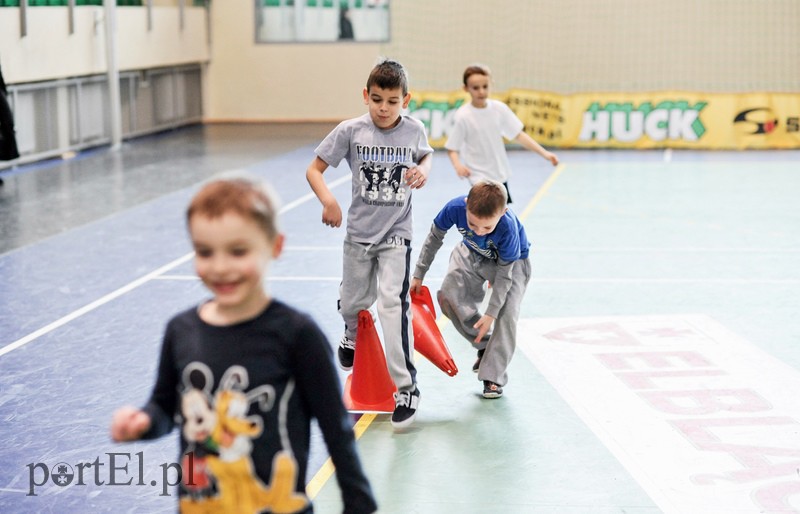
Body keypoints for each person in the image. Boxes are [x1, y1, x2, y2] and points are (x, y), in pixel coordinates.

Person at [110, 174, 378, 514]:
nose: (220, 267)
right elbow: (166, 407)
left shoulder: (297, 335)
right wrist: (144, 423)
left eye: (238, 251)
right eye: (205, 252)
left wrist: (359, 502)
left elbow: (335, 428)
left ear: (275, 246)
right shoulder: (181, 331)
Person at [306, 58, 433, 429]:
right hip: (359, 234)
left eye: (392, 101)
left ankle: (406, 388)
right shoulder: (350, 131)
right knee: (354, 303)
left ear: (405, 100)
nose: (383, 107)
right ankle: (349, 333)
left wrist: (423, 170)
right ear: (365, 95)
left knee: (393, 304)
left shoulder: (414, 130)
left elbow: (426, 154)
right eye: (376, 99)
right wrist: (328, 200)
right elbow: (314, 169)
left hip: (397, 233)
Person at [411, 180, 531, 399]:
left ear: (503, 213)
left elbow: (505, 276)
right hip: (471, 252)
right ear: (466, 205)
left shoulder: (508, 227)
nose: (480, 231)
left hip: (510, 265)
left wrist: (491, 313)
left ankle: (493, 377)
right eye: (473, 225)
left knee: (506, 315)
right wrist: (419, 273)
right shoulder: (455, 208)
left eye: (487, 227)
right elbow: (434, 238)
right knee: (447, 295)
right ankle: (485, 346)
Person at [445, 63, 558, 203]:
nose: (481, 91)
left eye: (485, 86)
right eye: (475, 88)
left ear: (491, 84)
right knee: (484, 213)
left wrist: (545, 153)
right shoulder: (463, 116)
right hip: (477, 175)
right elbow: (452, 148)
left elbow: (519, 135)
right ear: (466, 89)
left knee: (500, 214)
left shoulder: (499, 109)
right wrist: (458, 166)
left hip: (499, 174)